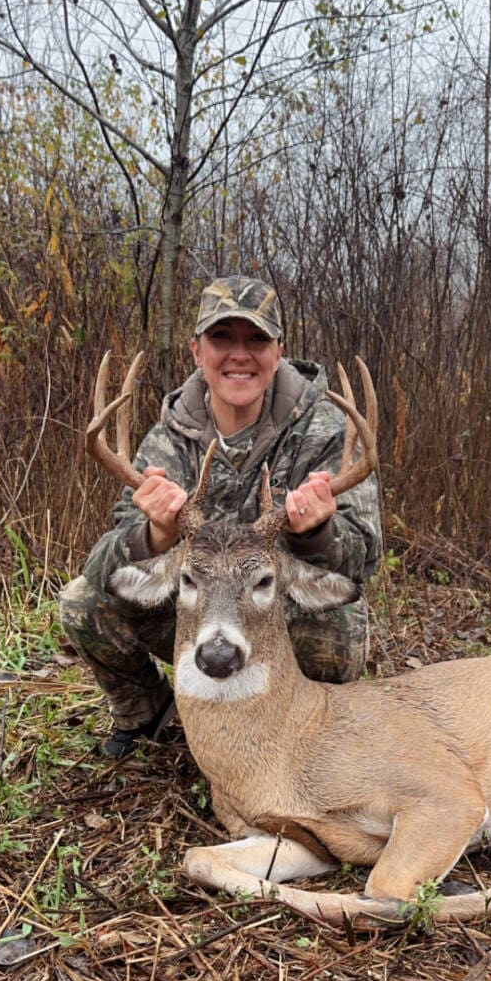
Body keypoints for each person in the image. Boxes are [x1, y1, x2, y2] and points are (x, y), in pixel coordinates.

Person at [60, 275, 383, 758]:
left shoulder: (327, 432)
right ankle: (145, 712)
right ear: (196, 351)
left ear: (279, 352)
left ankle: (299, 733)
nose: (239, 355)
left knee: (336, 631)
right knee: (83, 602)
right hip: (196, 606)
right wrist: (154, 535)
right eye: (222, 338)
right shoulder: (165, 443)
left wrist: (317, 533)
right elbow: (102, 570)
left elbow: (365, 560)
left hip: (272, 609)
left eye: (257, 340)